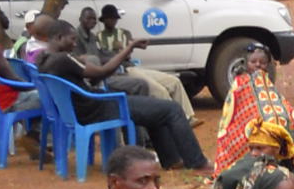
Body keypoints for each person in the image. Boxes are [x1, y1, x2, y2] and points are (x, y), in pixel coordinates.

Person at [33, 17, 208, 171]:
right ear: (59, 37)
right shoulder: (63, 59)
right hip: (99, 108)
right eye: (72, 39)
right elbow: (102, 71)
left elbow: (89, 77)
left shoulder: (44, 60)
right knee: (172, 109)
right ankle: (197, 163)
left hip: (84, 109)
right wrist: (128, 48)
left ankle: (171, 160)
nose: (74, 44)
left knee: (155, 110)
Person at [213, 44, 294, 174]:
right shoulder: (240, 82)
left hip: (271, 118)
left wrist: (288, 113)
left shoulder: (266, 80)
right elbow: (233, 110)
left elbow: (277, 100)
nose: (258, 65)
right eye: (253, 62)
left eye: (263, 62)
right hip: (247, 122)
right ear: (246, 63)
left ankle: (285, 161)